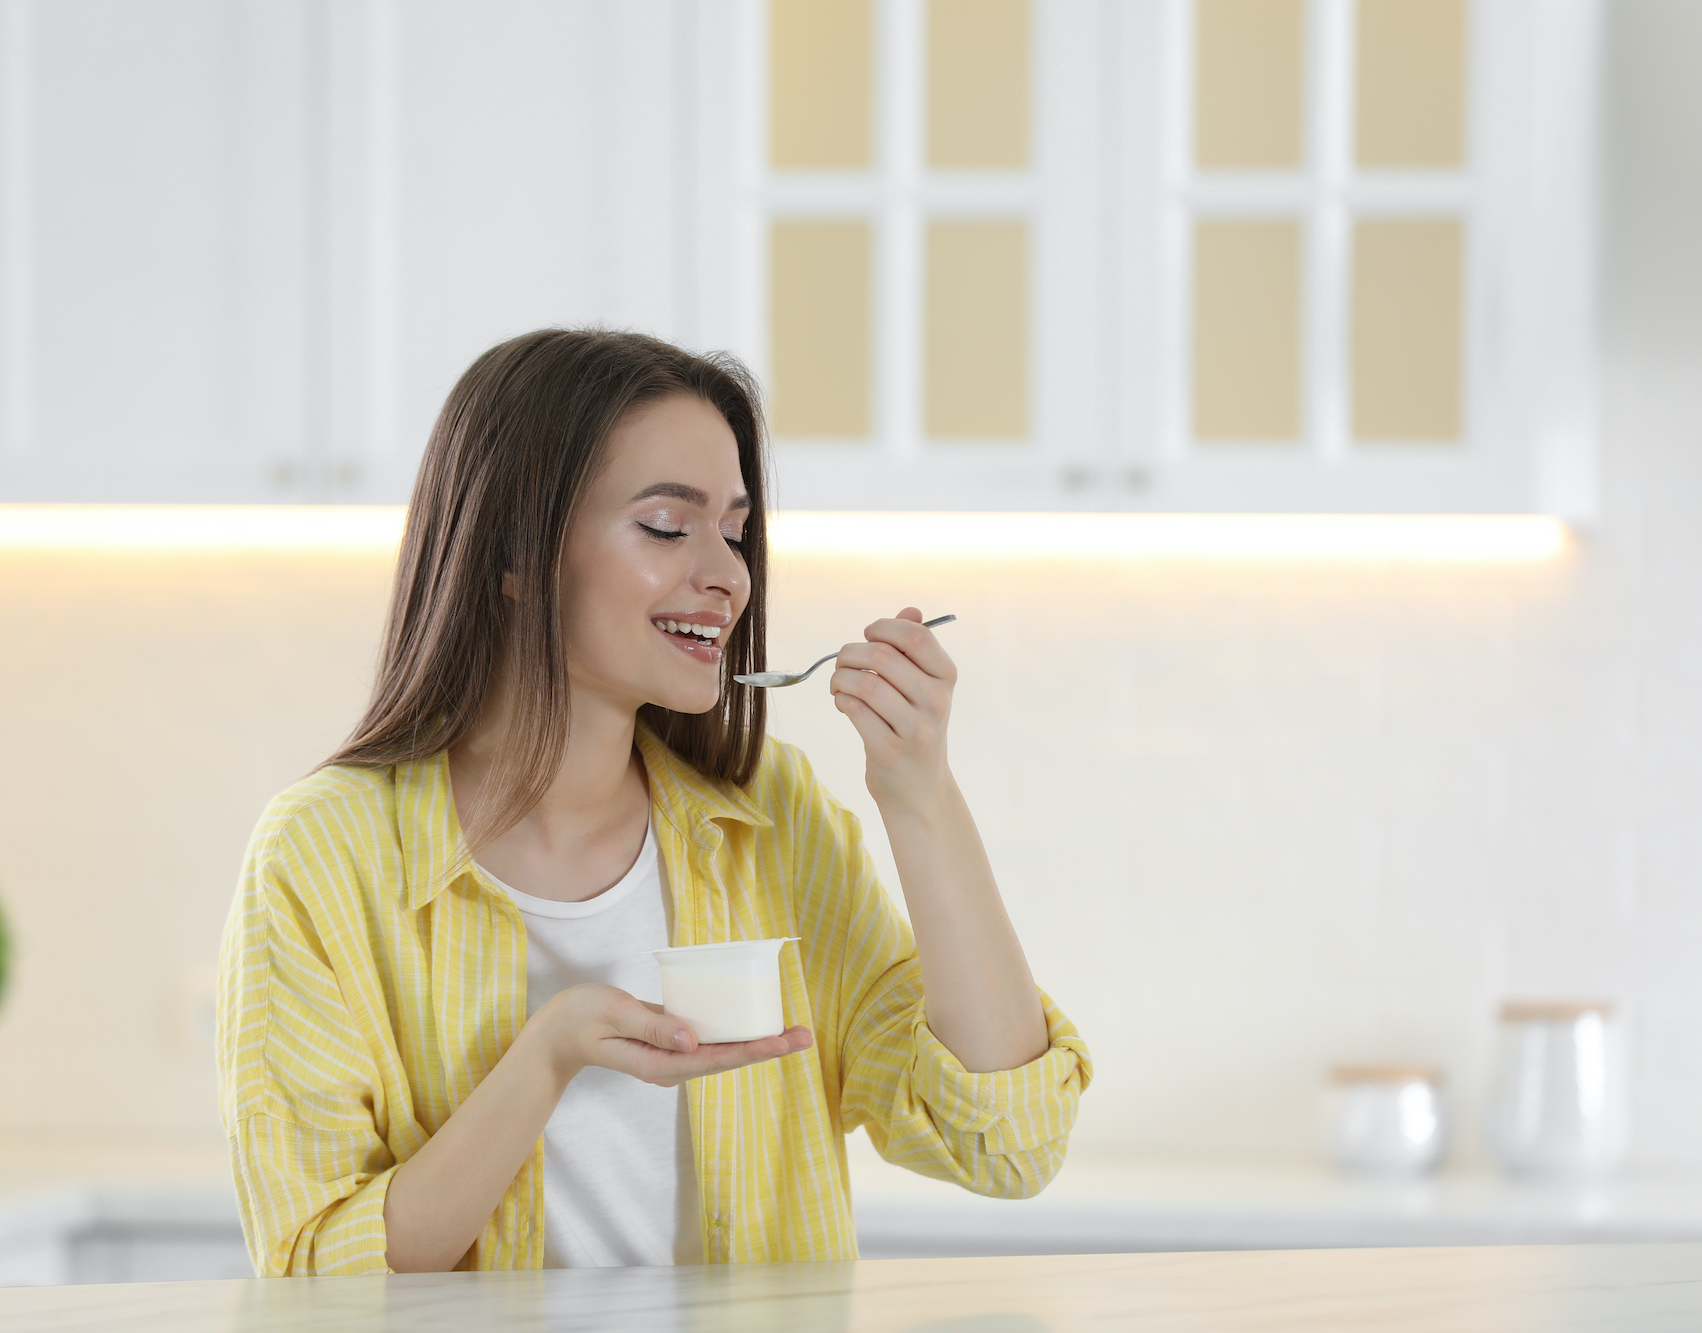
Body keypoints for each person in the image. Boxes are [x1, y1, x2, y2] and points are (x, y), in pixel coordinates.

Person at [217, 329, 1091, 1274]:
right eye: (669, 526)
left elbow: (1007, 1142)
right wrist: (547, 1056)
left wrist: (920, 794)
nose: (727, 575)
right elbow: (312, 1277)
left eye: (736, 530)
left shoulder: (767, 821)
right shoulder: (324, 855)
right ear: (515, 556)